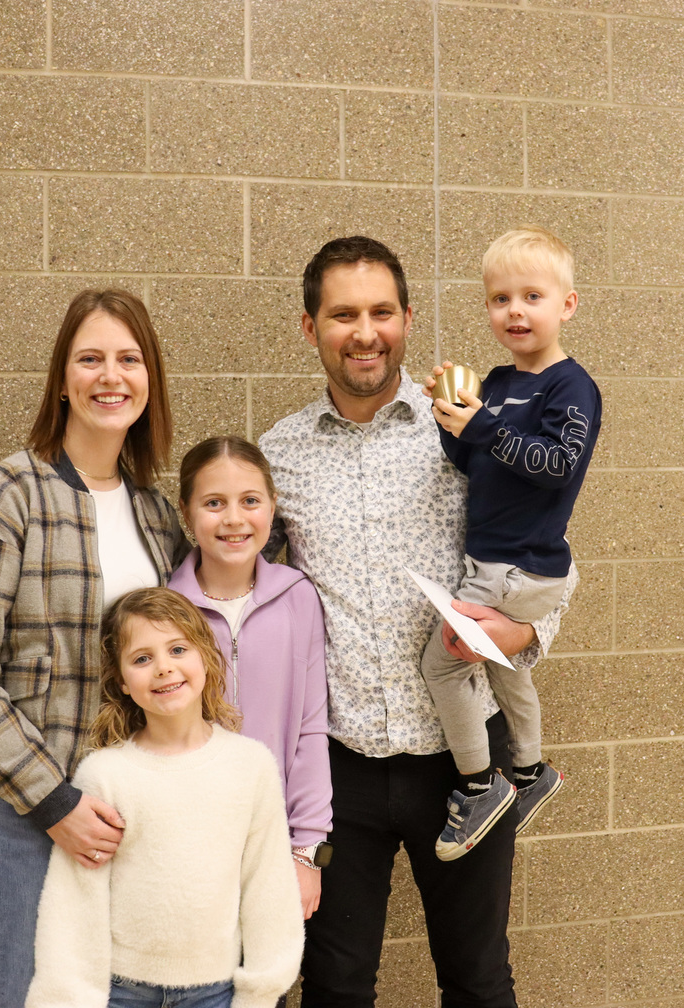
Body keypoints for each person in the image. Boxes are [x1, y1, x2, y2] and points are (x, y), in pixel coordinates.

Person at [258, 236, 573, 1008]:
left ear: (406, 318)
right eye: (343, 315)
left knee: (478, 981)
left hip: (465, 770)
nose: (364, 333)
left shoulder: (466, 426)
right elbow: (251, 598)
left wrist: (527, 635)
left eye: (381, 312)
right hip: (338, 768)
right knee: (334, 987)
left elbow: (543, 550)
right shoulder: (279, 453)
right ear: (310, 327)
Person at [0, 289, 189, 1008]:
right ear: (62, 380)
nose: (111, 376)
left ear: (150, 379)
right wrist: (54, 803)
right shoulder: (1, 497)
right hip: (22, 811)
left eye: (129, 359)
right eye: (90, 359)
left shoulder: (155, 514)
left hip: (124, 811)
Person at [26, 588, 303, 1008]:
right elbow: (75, 903)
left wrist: (260, 994)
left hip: (217, 992)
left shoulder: (251, 766)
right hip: (123, 992)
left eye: (177, 649)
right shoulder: (104, 774)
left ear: (205, 657)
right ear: (122, 681)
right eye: (142, 658)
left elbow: (269, 889)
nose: (163, 668)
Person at [422, 226, 602, 859]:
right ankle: (529, 771)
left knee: (444, 663)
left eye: (532, 296)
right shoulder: (496, 382)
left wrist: (483, 425)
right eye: (501, 299)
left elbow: (557, 464)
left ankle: (480, 786)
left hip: (518, 567)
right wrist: (450, 417)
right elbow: (472, 461)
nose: (515, 311)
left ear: (567, 305)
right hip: (497, 562)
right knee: (501, 661)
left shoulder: (571, 387)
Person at [168, 436, 332, 921]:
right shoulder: (165, 608)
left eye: (250, 501)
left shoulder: (298, 597)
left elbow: (310, 730)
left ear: (272, 506)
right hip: (186, 848)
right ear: (186, 511)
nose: (234, 519)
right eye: (214, 503)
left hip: (272, 846)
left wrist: (307, 852)